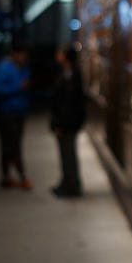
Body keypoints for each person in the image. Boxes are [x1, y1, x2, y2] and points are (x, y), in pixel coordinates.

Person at [0, 42, 32, 189]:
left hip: (20, 111)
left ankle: (8, 176)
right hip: (6, 113)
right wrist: (18, 87)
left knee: (14, 144)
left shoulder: (24, 67)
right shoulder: (3, 67)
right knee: (10, 145)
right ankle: (19, 176)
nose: (24, 58)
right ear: (15, 54)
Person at [50, 46, 86, 197]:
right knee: (65, 154)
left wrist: (60, 124)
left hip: (68, 123)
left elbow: (68, 103)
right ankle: (67, 182)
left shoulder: (71, 75)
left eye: (60, 52)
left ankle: (72, 185)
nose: (57, 55)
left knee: (68, 153)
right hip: (66, 121)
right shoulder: (66, 73)